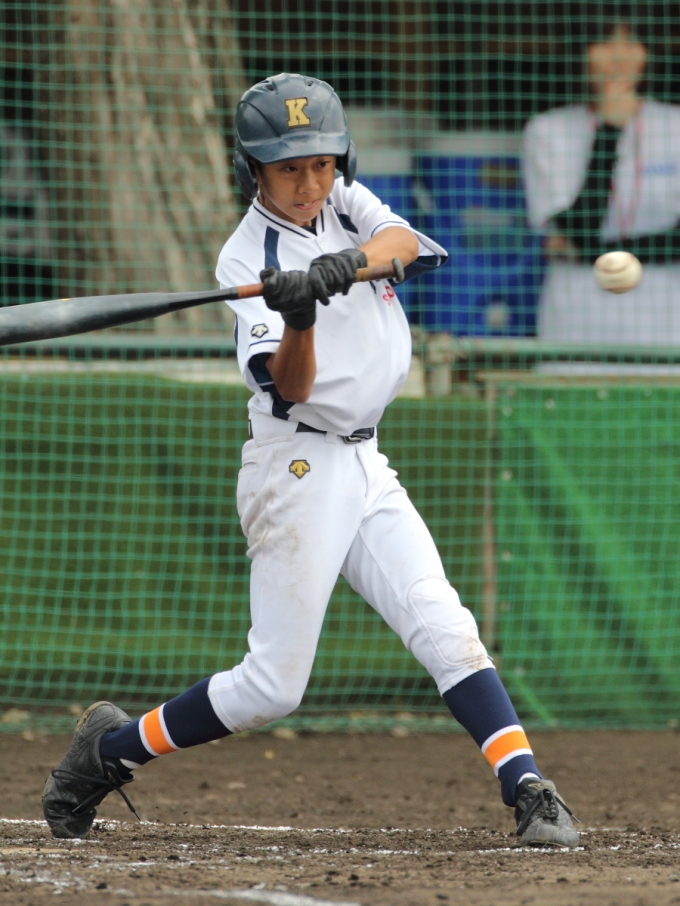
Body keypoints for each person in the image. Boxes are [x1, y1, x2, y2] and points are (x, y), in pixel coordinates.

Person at [42, 73, 579, 848]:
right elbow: (290, 388)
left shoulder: (345, 201)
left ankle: (527, 786)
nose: (308, 183)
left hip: (365, 459)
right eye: (288, 167)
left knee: (442, 621)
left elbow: (403, 246)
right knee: (272, 688)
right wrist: (298, 316)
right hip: (296, 467)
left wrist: (345, 265)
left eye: (320, 163)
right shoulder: (245, 255)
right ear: (254, 169)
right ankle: (109, 751)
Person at [523, 19, 680, 345]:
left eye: (631, 42)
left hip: (664, 315)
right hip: (579, 315)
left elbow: (577, 243)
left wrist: (588, 250)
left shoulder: (674, 126)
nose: (619, 57)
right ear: (582, 52)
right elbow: (579, 229)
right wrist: (610, 131)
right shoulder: (548, 131)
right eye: (605, 43)